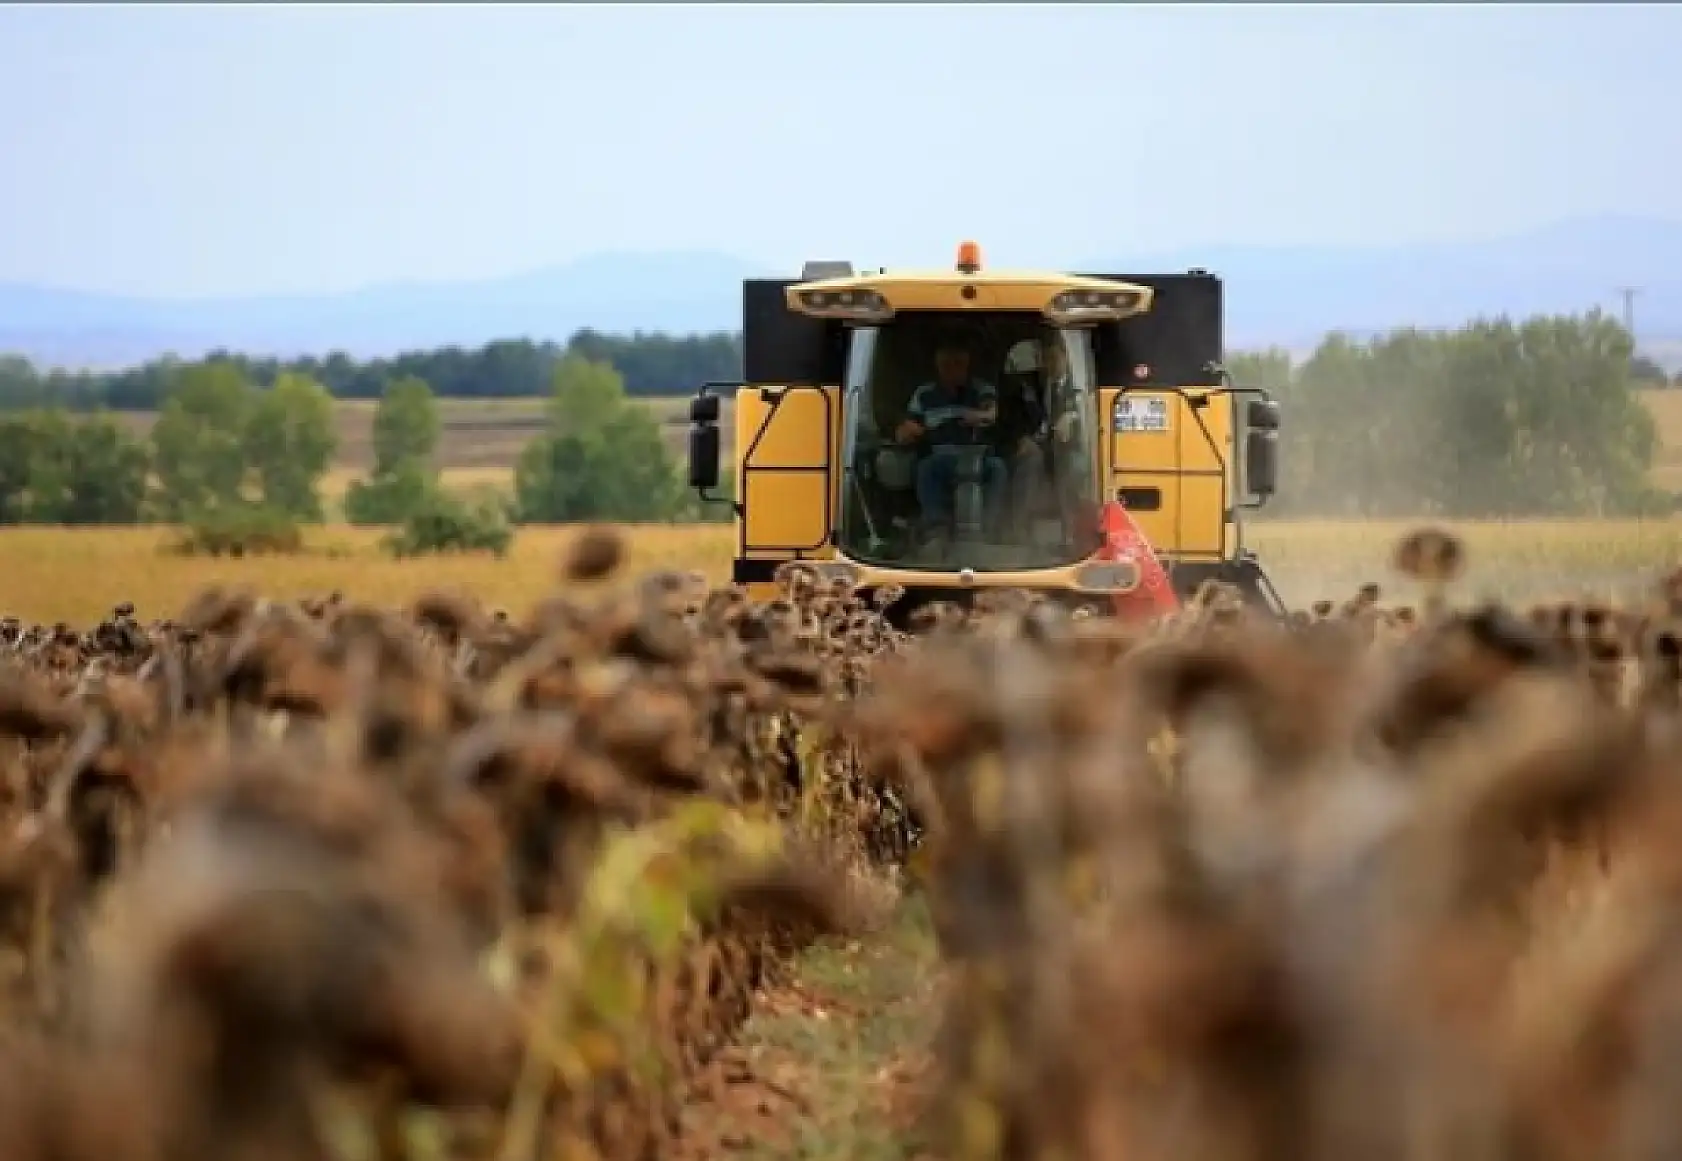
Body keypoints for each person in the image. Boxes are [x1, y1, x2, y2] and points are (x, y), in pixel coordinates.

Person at [894, 336, 1009, 540]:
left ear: (967, 366)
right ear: (937, 366)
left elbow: (991, 413)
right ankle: (936, 528)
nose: (952, 370)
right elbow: (908, 427)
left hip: (978, 455)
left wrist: (978, 416)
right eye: (946, 365)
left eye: (958, 364)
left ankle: (991, 530)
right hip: (941, 455)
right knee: (925, 468)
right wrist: (907, 431)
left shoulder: (982, 389)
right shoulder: (924, 394)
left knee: (998, 468)